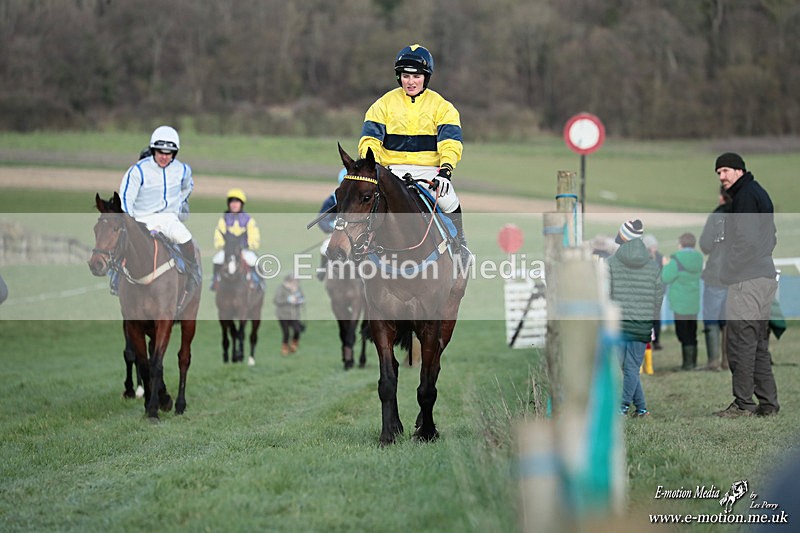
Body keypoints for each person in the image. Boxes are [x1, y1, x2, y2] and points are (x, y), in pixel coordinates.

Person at [358, 43, 469, 261]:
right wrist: (374, 168)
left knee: (449, 200)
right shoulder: (382, 105)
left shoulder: (443, 107)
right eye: (406, 76)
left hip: (429, 172)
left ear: (426, 78)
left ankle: (460, 245)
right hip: (390, 170)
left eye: (417, 76)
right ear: (399, 76)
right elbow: (370, 140)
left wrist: (445, 171)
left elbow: (450, 143)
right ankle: (363, 246)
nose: (411, 82)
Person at [713, 152, 778, 418]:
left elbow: (746, 242)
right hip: (763, 276)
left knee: (740, 342)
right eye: (718, 173)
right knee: (758, 343)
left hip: (747, 280)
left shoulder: (745, 197)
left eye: (726, 170)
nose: (722, 176)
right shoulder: (755, 192)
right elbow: (770, 238)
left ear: (740, 170)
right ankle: (768, 403)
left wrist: (728, 270)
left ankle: (743, 404)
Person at [118, 125, 200, 295]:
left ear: (174, 154)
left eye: (168, 153)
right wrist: (130, 221)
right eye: (160, 152)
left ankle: (192, 273)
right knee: (124, 243)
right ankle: (115, 278)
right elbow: (126, 199)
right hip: (142, 219)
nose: (164, 156)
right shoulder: (138, 170)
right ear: (153, 150)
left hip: (168, 218)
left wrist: (180, 204)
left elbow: (188, 185)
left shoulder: (182, 170)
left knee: (185, 238)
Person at [607, 219, 664, 417]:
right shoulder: (652, 265)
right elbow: (658, 296)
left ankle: (622, 408)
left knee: (626, 367)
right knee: (631, 368)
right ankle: (642, 409)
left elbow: (605, 293)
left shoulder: (611, 263)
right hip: (642, 323)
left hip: (619, 324)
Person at [699, 186, 732, 371]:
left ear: (722, 197)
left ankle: (713, 361)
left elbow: (705, 245)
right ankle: (728, 361)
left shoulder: (716, 215)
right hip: (737, 275)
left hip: (716, 275)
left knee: (711, 317)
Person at [661, 233, 704, 370]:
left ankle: (687, 364)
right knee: (692, 332)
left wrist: (665, 265)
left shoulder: (675, 259)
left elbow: (666, 277)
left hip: (680, 302)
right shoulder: (698, 258)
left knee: (682, 333)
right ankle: (692, 362)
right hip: (693, 301)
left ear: (680, 244)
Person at [210, 188, 264, 291]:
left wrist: (250, 245)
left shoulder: (248, 220)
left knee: (254, 261)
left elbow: (254, 236)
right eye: (232, 202)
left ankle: (258, 282)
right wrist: (221, 245)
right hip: (228, 250)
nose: (234, 205)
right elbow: (218, 235)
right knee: (217, 259)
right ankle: (215, 280)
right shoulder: (224, 219)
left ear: (241, 204)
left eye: (237, 202)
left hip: (243, 250)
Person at [316, 168, 345, 281]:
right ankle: (323, 269)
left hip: (359, 233)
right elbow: (322, 219)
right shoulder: (333, 199)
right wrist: (332, 228)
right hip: (337, 232)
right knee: (325, 248)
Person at [273, 274, 305, 355]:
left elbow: (302, 297)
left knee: (297, 330)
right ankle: (285, 348)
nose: (295, 284)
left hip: (294, 315)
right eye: (294, 282)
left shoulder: (298, 289)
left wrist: (299, 300)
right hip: (283, 315)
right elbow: (276, 300)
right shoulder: (281, 289)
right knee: (286, 332)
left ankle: (294, 344)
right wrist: (288, 300)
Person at [642, 234, 664, 350]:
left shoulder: (659, 257)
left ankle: (656, 341)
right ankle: (650, 342)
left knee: (655, 319)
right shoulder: (656, 258)